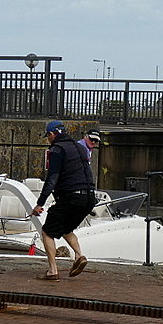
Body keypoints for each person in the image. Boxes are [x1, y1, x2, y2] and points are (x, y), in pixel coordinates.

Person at [31, 120, 96, 281]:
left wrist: (40, 203)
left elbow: (52, 178)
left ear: (52, 134)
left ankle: (52, 270)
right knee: (65, 228)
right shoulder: (81, 148)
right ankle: (79, 256)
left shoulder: (57, 149)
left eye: (48, 136)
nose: (48, 139)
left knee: (47, 231)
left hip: (72, 197)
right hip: (89, 197)